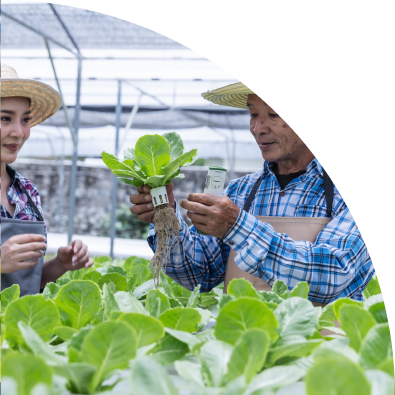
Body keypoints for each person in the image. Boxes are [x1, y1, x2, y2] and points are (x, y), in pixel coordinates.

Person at [130, 82, 374, 305]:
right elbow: (198, 273)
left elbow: (331, 275)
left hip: (319, 349)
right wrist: (166, 218)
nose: (257, 128)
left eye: (273, 115)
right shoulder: (241, 191)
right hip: (244, 344)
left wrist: (237, 226)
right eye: (253, 114)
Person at [1, 64, 93, 297]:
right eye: (5, 118)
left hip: (23, 328)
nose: (19, 132)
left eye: (25, 120)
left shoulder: (27, 191)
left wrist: (60, 265)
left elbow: (26, 280)